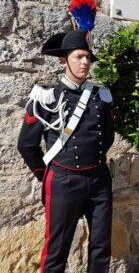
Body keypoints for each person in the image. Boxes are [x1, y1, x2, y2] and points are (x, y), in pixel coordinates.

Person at [17, 28, 115, 272]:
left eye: (88, 57)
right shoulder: (46, 96)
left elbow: (108, 137)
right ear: (64, 60)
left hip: (99, 179)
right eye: (79, 56)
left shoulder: (101, 95)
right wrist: (48, 175)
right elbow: (27, 145)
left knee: (101, 246)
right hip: (63, 180)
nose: (85, 62)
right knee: (56, 250)